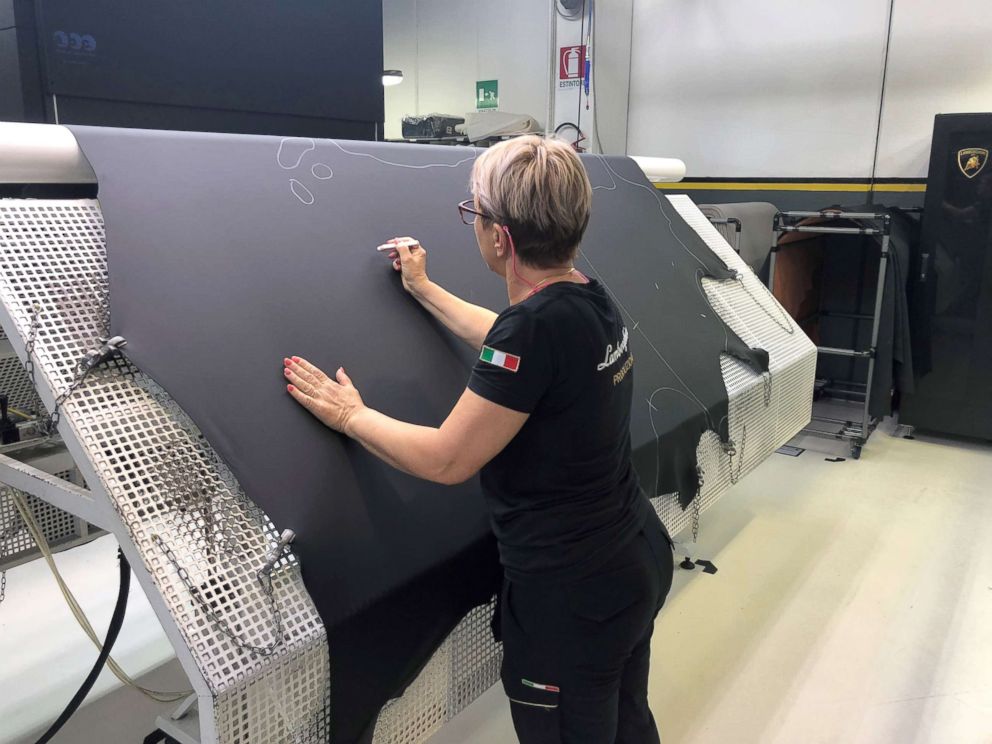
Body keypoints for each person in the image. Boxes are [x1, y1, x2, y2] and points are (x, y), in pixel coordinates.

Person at [282, 135, 674, 743]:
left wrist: (349, 414)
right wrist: (424, 288)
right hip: (631, 560)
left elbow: (447, 459)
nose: (474, 225)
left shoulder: (535, 331)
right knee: (626, 721)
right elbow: (508, 340)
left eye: (475, 213)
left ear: (501, 239)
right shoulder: (588, 300)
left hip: (571, 599)